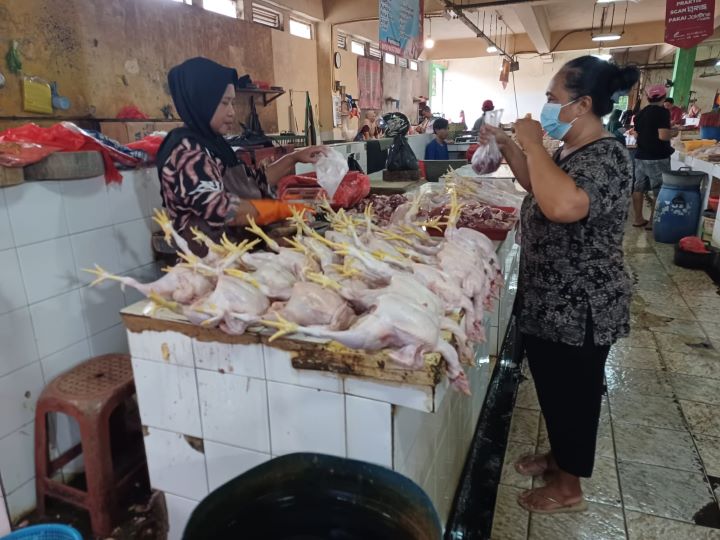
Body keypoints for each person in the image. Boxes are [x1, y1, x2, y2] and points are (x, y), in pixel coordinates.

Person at [480, 56, 639, 513]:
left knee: (575, 396)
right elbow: (539, 187)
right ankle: (559, 456)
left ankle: (569, 487)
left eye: (553, 98)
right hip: (552, 300)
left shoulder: (607, 154)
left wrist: (531, 142)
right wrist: (513, 146)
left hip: (582, 305)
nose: (546, 106)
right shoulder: (571, 149)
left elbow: (564, 206)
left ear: (583, 104)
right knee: (554, 390)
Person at [156, 57, 327, 255]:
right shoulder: (186, 152)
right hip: (209, 267)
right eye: (224, 103)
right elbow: (222, 210)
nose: (232, 113)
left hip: (237, 255)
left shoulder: (215, 144)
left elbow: (254, 182)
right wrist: (281, 210)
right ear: (202, 101)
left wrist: (294, 157)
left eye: (233, 103)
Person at [632, 84, 677, 228]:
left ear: (647, 97)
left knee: (638, 188)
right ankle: (652, 222)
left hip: (640, 156)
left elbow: (637, 134)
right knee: (658, 190)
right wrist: (674, 132)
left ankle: (638, 219)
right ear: (664, 97)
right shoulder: (662, 112)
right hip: (657, 157)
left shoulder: (640, 114)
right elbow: (663, 136)